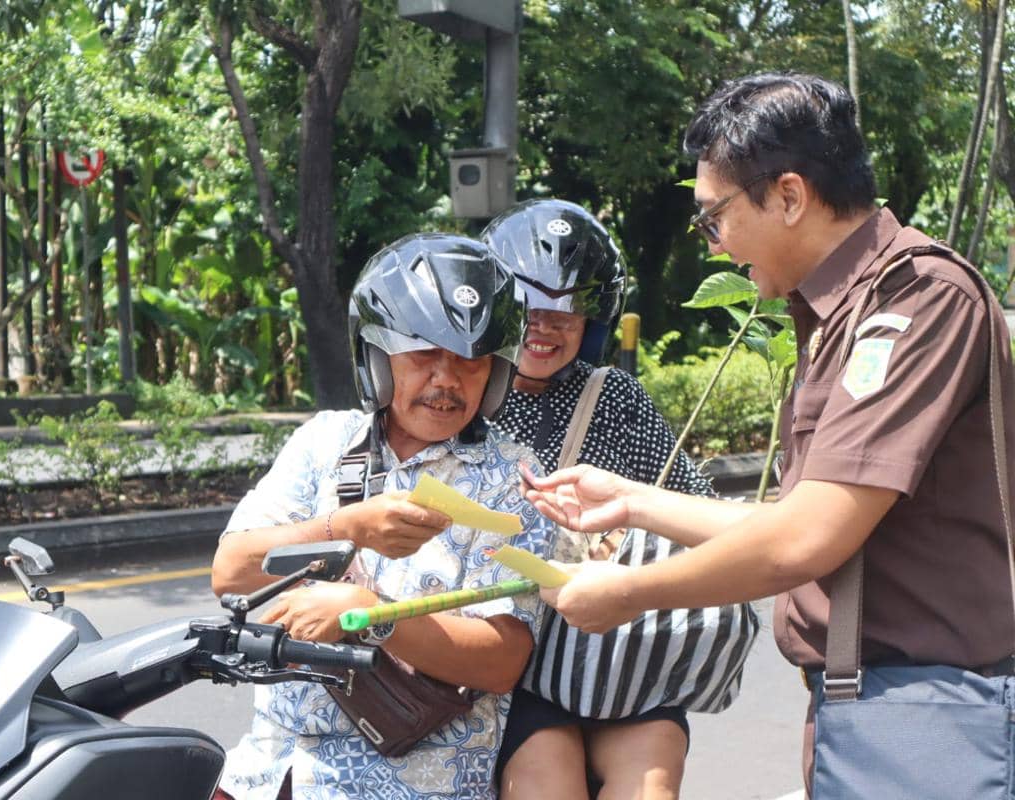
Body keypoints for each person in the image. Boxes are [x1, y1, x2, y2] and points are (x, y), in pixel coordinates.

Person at [521, 72, 1015, 791]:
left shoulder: (916, 301)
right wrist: (629, 501)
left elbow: (805, 540)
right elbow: (795, 521)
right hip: (871, 707)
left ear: (789, 195)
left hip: (927, 712)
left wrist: (629, 593)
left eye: (712, 217)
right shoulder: (842, 315)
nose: (714, 246)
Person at [210, 233, 556, 800]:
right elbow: (231, 570)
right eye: (424, 355)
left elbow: (501, 659)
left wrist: (374, 615)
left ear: (495, 373)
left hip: (407, 784)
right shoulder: (324, 443)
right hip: (267, 773)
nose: (447, 379)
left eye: (470, 361)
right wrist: (346, 529)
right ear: (377, 356)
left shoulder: (513, 480)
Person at [482, 199, 714, 800]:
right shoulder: (461, 388)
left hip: (611, 657)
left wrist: (623, 549)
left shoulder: (613, 397)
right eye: (529, 307)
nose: (545, 325)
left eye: (568, 313)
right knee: (550, 783)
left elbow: (695, 506)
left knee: (652, 783)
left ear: (595, 325)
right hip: (509, 663)